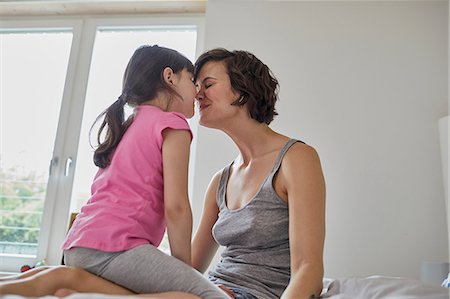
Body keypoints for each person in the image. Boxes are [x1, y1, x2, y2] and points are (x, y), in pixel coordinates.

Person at [0, 48, 326, 299]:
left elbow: (308, 269)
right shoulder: (221, 180)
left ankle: (75, 283)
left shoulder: (296, 159)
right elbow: (188, 268)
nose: (197, 93)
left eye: (208, 85)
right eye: (195, 84)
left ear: (242, 91)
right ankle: (75, 282)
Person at [0, 45, 228, 299]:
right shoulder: (172, 124)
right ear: (169, 77)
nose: (197, 91)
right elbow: (176, 207)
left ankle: (69, 285)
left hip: (79, 244)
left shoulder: (129, 123)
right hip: (116, 247)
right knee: (208, 296)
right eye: (192, 80)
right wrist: (185, 270)